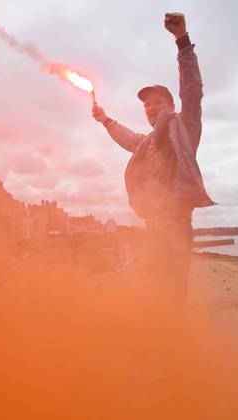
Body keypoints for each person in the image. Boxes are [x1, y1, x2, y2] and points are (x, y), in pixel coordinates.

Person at [92, 12, 214, 318]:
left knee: (172, 297)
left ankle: (178, 351)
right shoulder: (147, 143)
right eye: (147, 104)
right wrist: (105, 119)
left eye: (158, 102)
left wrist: (182, 42)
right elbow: (126, 137)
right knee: (158, 296)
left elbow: (193, 92)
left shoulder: (185, 128)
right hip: (153, 228)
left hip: (176, 226)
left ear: (171, 105)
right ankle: (166, 345)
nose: (151, 107)